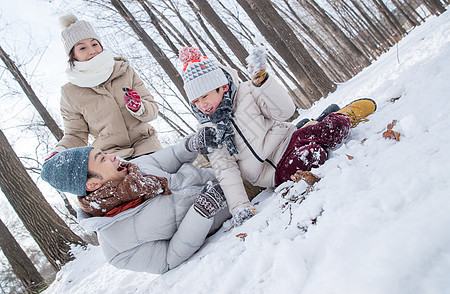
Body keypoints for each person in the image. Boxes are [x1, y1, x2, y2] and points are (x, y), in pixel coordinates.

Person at [178, 46, 377, 226]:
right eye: (195, 101)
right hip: (272, 173)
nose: (202, 105)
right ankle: (317, 124)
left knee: (334, 129)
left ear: (223, 86)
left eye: (205, 96)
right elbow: (226, 171)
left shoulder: (248, 92)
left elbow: (285, 111)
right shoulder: (211, 132)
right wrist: (240, 207)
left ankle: (343, 115)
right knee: (310, 156)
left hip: (288, 138)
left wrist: (263, 84)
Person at [40, 138, 230, 274]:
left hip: (228, 177)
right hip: (228, 214)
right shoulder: (117, 248)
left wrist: (192, 144)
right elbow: (167, 259)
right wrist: (203, 212)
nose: (113, 156)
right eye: (102, 159)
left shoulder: (135, 167)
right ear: (92, 184)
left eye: (104, 153)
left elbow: (174, 155)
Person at [46, 14, 161, 161]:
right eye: (82, 48)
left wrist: (140, 108)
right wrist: (60, 150)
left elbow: (153, 111)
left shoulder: (124, 70)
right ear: (72, 56)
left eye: (94, 44)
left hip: (148, 146)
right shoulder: (70, 93)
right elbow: (76, 134)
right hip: (112, 158)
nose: (92, 50)